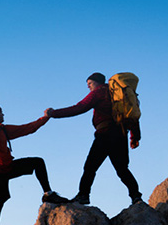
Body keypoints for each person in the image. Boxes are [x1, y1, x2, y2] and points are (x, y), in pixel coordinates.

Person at [45, 72, 143, 205]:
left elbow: (79, 107)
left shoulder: (99, 92)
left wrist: (53, 113)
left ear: (97, 82)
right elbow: (131, 114)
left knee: (90, 167)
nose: (88, 87)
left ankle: (83, 195)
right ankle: (136, 196)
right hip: (121, 135)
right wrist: (134, 136)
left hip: (105, 135)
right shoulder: (118, 94)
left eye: (90, 83)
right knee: (122, 169)